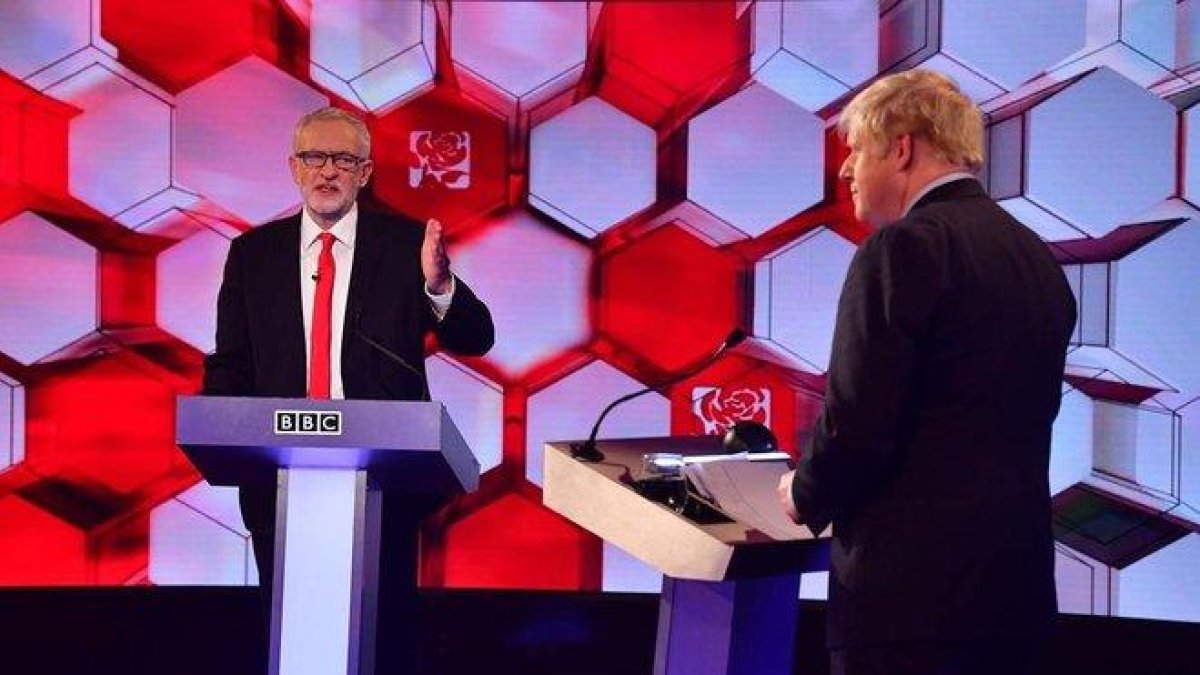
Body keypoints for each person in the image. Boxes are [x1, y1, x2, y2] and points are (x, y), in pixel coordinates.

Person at [777, 69, 1076, 675]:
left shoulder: (901, 249)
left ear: (902, 148)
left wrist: (802, 492)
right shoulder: (1034, 255)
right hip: (1013, 603)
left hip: (908, 609)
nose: (846, 170)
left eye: (857, 149)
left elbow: (857, 426)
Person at [202, 106, 494, 671]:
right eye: (315, 157)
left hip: (383, 483)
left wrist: (440, 286)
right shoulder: (253, 254)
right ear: (294, 167)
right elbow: (232, 361)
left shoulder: (405, 245)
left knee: (382, 640)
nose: (328, 170)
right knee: (290, 633)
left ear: (365, 172)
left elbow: (477, 337)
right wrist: (220, 430)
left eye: (343, 159)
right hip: (278, 483)